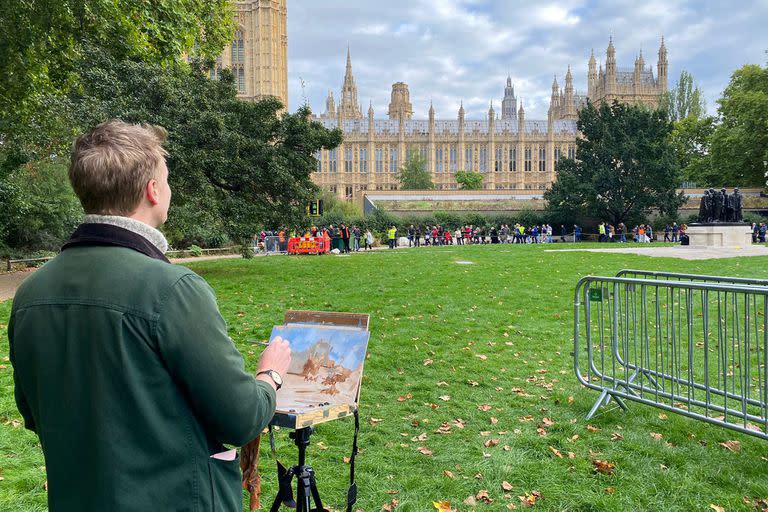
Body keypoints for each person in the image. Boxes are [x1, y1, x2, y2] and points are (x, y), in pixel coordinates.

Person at [9, 120, 292, 511]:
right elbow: (241, 417)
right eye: (167, 178)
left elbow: (35, 411)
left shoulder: (29, 294)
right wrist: (270, 375)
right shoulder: (172, 289)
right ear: (153, 191)